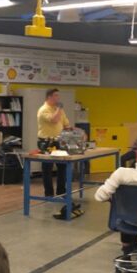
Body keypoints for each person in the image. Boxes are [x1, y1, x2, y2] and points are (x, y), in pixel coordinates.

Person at [36, 88, 81, 219]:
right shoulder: (43, 110)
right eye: (56, 96)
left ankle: (61, 192)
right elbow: (54, 120)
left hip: (59, 141)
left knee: (62, 167)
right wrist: (59, 109)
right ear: (49, 97)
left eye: (58, 96)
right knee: (47, 168)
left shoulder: (59, 109)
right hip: (47, 142)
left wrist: (73, 130)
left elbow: (65, 123)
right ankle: (49, 194)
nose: (58, 98)